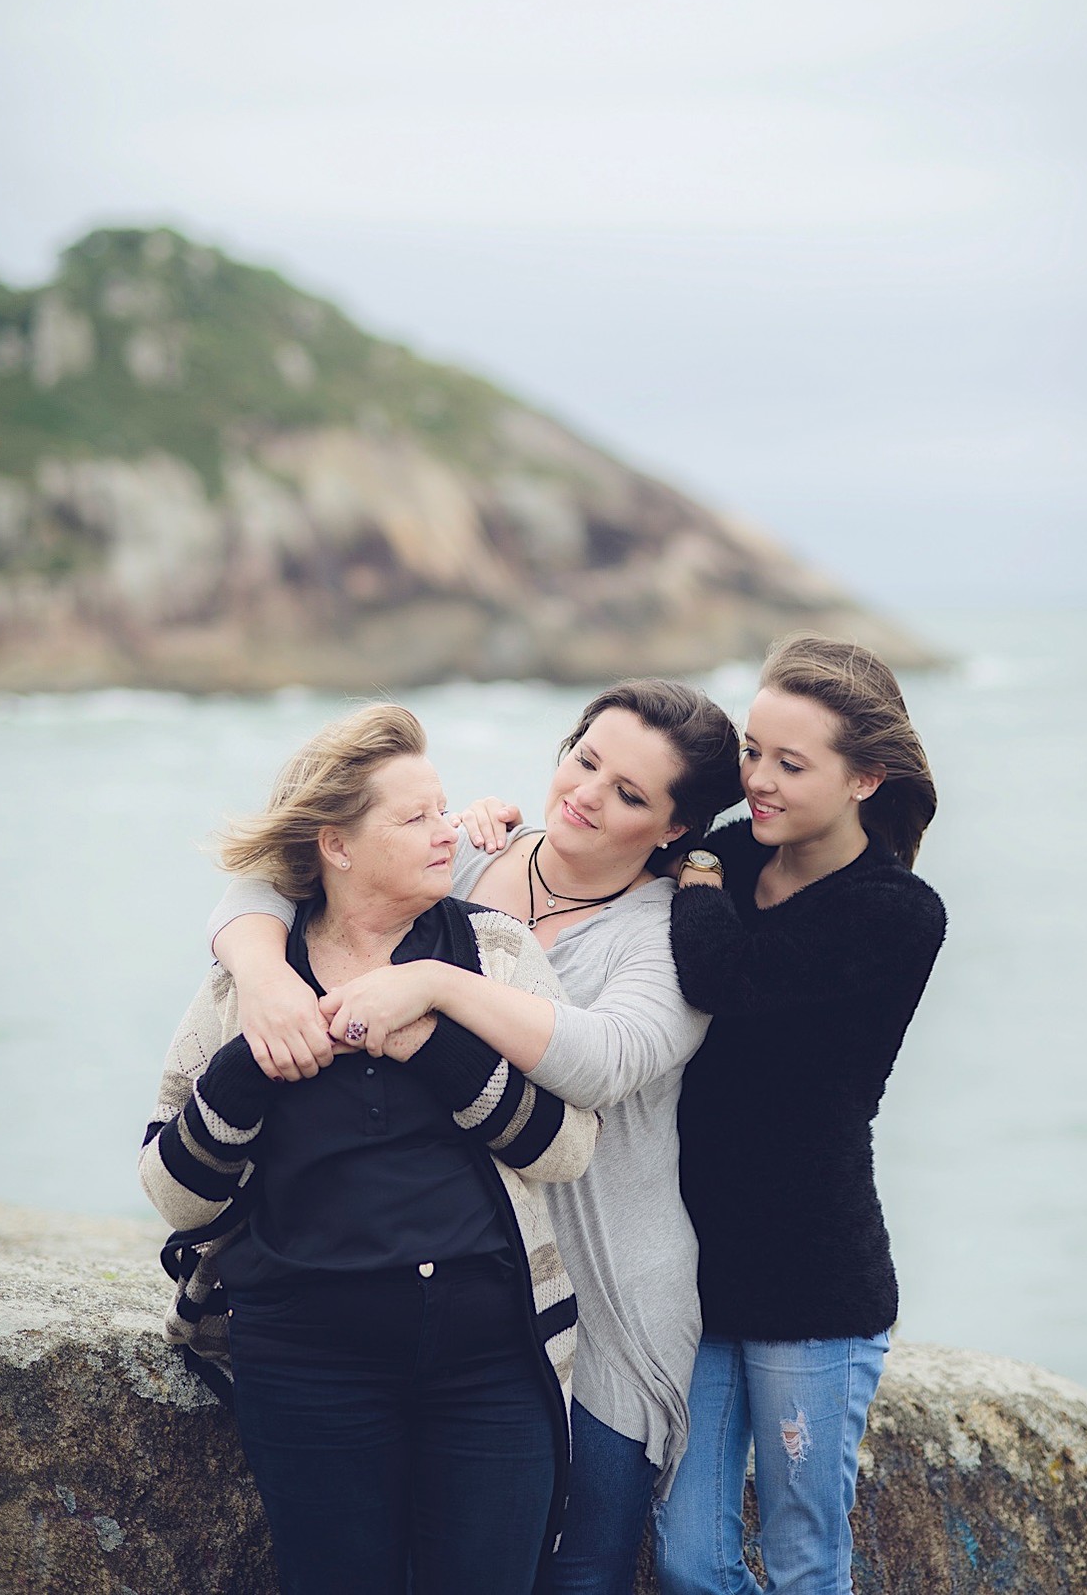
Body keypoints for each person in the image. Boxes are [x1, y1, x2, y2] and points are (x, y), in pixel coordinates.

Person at [204, 678, 743, 1595]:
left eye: (630, 795)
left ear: (672, 831)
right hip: (451, 1294)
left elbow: (604, 1059)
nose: (586, 793)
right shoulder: (459, 857)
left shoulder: (666, 937)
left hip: (603, 1299)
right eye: (586, 760)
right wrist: (259, 973)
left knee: (573, 1577)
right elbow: (292, 860)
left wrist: (436, 988)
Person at [139, 702, 600, 1595]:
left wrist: (430, 1042)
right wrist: (252, 1063)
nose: (447, 833)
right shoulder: (249, 982)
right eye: (416, 817)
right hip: (307, 1367)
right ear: (337, 846)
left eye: (443, 808)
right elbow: (173, 1195)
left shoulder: (491, 950)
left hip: (491, 1363)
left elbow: (568, 1146)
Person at [653, 635, 947, 1595]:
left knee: (805, 1561)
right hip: (699, 1273)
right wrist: (497, 828)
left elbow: (723, 977)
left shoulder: (897, 912)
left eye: (790, 762)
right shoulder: (731, 852)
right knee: (689, 1561)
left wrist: (694, 872)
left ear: (865, 778)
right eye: (751, 754)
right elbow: (591, 855)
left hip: (815, 1283)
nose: (756, 782)